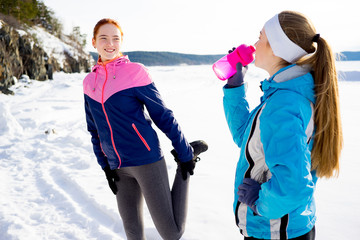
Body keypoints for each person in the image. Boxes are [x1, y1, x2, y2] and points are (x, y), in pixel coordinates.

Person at [83, 18, 208, 240]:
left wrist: (184, 152)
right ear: (94, 42)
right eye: (104, 38)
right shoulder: (89, 82)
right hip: (118, 166)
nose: (110, 43)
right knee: (132, 232)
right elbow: (94, 129)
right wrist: (105, 166)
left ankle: (183, 166)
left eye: (116, 39)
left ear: (121, 42)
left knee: (171, 233)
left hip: (146, 159)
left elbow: (162, 114)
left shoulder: (134, 72)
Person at [222, 11, 343, 240]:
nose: (254, 44)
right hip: (288, 227)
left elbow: (294, 186)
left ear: (278, 48)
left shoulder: (283, 105)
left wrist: (260, 203)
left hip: (275, 230)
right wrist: (235, 88)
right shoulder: (285, 94)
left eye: (260, 37)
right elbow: (246, 138)